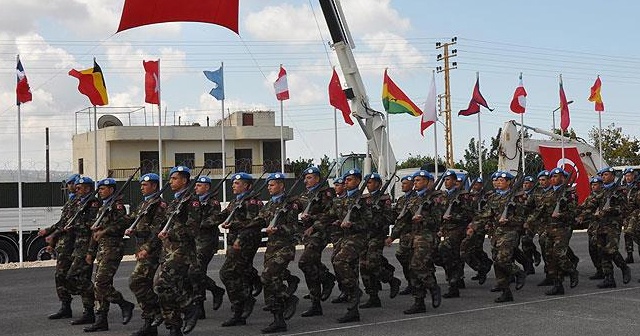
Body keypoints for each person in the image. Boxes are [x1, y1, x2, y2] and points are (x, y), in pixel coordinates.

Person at [154, 166, 202, 336]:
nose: (171, 181)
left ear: (184, 180)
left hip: (182, 252)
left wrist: (171, 233)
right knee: (161, 287)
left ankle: (190, 308)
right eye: (171, 178)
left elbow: (193, 229)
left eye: (174, 178)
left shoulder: (192, 201)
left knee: (163, 284)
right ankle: (174, 327)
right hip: (168, 251)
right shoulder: (175, 201)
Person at [83, 177, 135, 332]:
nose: (100, 191)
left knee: (101, 283)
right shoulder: (102, 207)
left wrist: (104, 230)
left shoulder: (117, 207)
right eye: (99, 189)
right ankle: (101, 319)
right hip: (102, 249)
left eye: (103, 189)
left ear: (111, 190)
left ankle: (124, 304)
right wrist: (90, 252)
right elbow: (95, 231)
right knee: (101, 285)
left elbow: (121, 225)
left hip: (113, 248)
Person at [387, 170, 442, 314]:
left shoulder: (435, 198)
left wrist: (423, 219)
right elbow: (402, 221)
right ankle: (419, 301)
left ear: (427, 182)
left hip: (427, 237)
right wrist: (392, 236)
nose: (415, 183)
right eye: (415, 180)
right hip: (412, 237)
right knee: (412, 269)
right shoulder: (412, 200)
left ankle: (433, 286)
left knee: (417, 265)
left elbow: (438, 220)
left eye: (418, 180)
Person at [254, 172, 302, 333]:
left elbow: (295, 227)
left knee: (267, 276)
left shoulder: (290, 205)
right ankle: (278, 319)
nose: (269, 187)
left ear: (281, 186)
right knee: (271, 283)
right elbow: (259, 220)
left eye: (272, 184)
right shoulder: (268, 205)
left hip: (284, 247)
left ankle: (289, 299)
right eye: (268, 185)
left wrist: (278, 228)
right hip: (271, 248)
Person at [470, 171, 526, 302]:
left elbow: (521, 218)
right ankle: (506, 291)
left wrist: (509, 221)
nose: (499, 182)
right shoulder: (493, 197)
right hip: (496, 233)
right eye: (498, 180)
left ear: (509, 182)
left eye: (502, 180)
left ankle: (519, 272)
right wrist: (473, 226)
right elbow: (486, 214)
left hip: (510, 232)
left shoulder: (516, 198)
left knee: (502, 259)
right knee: (497, 263)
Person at [218, 172, 263, 327]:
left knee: (227, 273)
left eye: (237, 183)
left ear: (247, 185)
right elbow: (223, 215)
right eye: (234, 183)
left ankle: (243, 301)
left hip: (245, 242)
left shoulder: (251, 201)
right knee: (240, 273)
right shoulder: (236, 201)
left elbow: (254, 223)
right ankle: (240, 311)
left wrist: (238, 236)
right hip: (235, 242)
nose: (233, 186)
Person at [525, 168, 579, 295]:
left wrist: (561, 215)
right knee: (550, 258)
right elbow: (540, 210)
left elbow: (574, 213)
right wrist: (529, 221)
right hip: (548, 228)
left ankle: (571, 270)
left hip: (562, 228)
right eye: (552, 177)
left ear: (563, 178)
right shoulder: (548, 193)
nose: (553, 179)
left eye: (556, 176)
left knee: (559, 254)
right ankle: (557, 284)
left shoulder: (568, 193)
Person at [126, 173, 168, 336]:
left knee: (137, 281)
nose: (142, 187)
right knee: (144, 284)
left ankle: (158, 311)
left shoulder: (160, 204)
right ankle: (150, 324)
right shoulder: (145, 203)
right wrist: (132, 229)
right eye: (141, 185)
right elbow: (135, 220)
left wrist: (147, 248)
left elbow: (157, 229)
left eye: (145, 185)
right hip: (142, 246)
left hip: (153, 249)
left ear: (155, 186)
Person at [328, 169, 371, 323]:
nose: (346, 182)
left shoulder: (364, 200)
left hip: (358, 238)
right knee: (347, 267)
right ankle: (353, 309)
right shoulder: (341, 200)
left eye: (350, 180)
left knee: (340, 261)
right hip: (345, 238)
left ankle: (353, 290)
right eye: (345, 180)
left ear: (358, 181)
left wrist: (353, 224)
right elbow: (331, 215)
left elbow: (369, 222)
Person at [298, 167, 336, 317]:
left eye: (309, 178)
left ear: (318, 179)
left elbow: (330, 214)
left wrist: (313, 222)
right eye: (305, 178)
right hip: (308, 233)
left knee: (305, 262)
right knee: (312, 265)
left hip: (320, 232)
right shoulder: (305, 194)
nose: (306, 181)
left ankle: (326, 279)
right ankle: (316, 302)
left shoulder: (326, 193)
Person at [39, 173, 79, 320]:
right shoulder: (71, 202)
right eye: (68, 184)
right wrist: (51, 237)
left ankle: (93, 305)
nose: (68, 187)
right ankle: (65, 306)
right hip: (65, 245)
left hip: (75, 246)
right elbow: (62, 223)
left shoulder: (82, 202)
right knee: (60, 276)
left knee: (75, 278)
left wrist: (51, 234)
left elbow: (70, 225)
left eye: (71, 184)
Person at [187, 176, 225, 325]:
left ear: (207, 187)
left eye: (199, 185)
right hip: (194, 241)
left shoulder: (213, 202)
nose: (196, 187)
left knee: (196, 270)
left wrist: (196, 224)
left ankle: (200, 304)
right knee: (195, 272)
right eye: (195, 185)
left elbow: (214, 220)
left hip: (207, 241)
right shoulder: (193, 201)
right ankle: (213, 292)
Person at [359, 173, 401, 308]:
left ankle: (391, 279)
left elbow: (390, 218)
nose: (368, 185)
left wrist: (377, 217)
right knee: (363, 266)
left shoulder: (385, 199)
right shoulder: (364, 199)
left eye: (371, 182)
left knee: (371, 263)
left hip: (377, 235)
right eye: (366, 182)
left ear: (378, 184)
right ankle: (373, 296)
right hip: (365, 235)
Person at [65, 176, 100, 326]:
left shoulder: (93, 203)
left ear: (88, 188)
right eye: (76, 188)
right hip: (78, 247)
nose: (76, 190)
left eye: (80, 188)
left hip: (87, 246)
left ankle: (100, 295)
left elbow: (91, 225)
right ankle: (89, 312)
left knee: (72, 277)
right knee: (82, 278)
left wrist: (74, 226)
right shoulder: (80, 202)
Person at [589, 167, 631, 288]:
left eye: (606, 175)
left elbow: (625, 208)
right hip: (601, 224)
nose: (604, 177)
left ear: (613, 176)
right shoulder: (601, 191)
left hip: (613, 225)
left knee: (611, 250)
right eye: (603, 175)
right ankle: (609, 278)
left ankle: (624, 267)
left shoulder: (620, 190)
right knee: (602, 251)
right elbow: (592, 204)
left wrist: (610, 210)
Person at [439, 171, 474, 298]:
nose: (446, 182)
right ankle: (457, 281)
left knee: (447, 254)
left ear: (455, 181)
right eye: (445, 180)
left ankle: (453, 284)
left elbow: (469, 214)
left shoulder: (462, 196)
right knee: (453, 258)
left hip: (457, 231)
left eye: (448, 180)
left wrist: (453, 217)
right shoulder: (443, 196)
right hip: (446, 230)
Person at [391, 175, 415, 296]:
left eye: (405, 183)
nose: (402, 185)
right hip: (403, 235)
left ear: (412, 185)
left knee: (414, 261)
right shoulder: (401, 200)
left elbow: (404, 220)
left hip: (413, 234)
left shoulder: (416, 199)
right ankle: (411, 282)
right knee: (403, 257)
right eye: (402, 183)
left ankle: (418, 284)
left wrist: (392, 236)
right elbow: (395, 216)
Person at [577, 176, 605, 280]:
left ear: (601, 185)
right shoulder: (590, 196)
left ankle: (607, 271)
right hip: (593, 226)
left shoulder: (604, 195)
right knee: (592, 249)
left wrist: (582, 215)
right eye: (592, 185)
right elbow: (584, 207)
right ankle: (599, 270)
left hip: (603, 226)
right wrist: (577, 213)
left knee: (603, 249)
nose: (593, 187)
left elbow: (590, 209)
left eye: (596, 185)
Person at [621, 167, 638, 263]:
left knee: (636, 234)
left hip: (636, 213)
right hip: (626, 214)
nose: (628, 178)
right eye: (626, 176)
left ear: (633, 176)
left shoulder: (637, 186)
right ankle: (629, 255)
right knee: (627, 234)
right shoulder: (623, 187)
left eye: (629, 176)